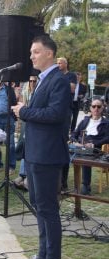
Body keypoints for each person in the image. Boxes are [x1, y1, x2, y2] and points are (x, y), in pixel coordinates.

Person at [11, 35, 71, 259]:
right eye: (31, 52)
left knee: (48, 209)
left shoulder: (59, 79)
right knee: (39, 206)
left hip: (47, 155)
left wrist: (24, 111)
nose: (31, 56)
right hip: (35, 153)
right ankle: (42, 255)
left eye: (35, 52)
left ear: (49, 53)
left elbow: (56, 114)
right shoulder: (44, 79)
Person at [71, 97, 109, 195]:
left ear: (102, 108)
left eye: (98, 106)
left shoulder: (106, 123)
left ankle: (85, 185)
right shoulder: (85, 120)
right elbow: (74, 134)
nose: (96, 108)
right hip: (80, 146)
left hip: (96, 149)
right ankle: (62, 183)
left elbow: (107, 138)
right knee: (63, 152)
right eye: (94, 106)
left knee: (86, 153)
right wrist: (75, 142)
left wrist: (94, 144)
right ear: (90, 108)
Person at [14, 75, 38, 190]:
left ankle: (28, 177)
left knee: (31, 148)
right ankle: (22, 174)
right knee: (24, 146)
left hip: (35, 122)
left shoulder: (39, 92)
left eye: (34, 81)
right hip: (26, 121)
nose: (32, 83)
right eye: (30, 81)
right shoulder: (25, 91)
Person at [57, 57, 77, 191]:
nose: (58, 65)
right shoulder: (58, 76)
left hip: (66, 112)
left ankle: (63, 181)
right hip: (55, 112)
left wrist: (59, 81)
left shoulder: (71, 75)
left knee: (63, 144)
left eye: (60, 63)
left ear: (65, 64)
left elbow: (72, 88)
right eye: (57, 63)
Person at [0, 81, 17, 174]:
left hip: (8, 118)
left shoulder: (9, 89)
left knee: (11, 144)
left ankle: (11, 167)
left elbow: (14, 103)